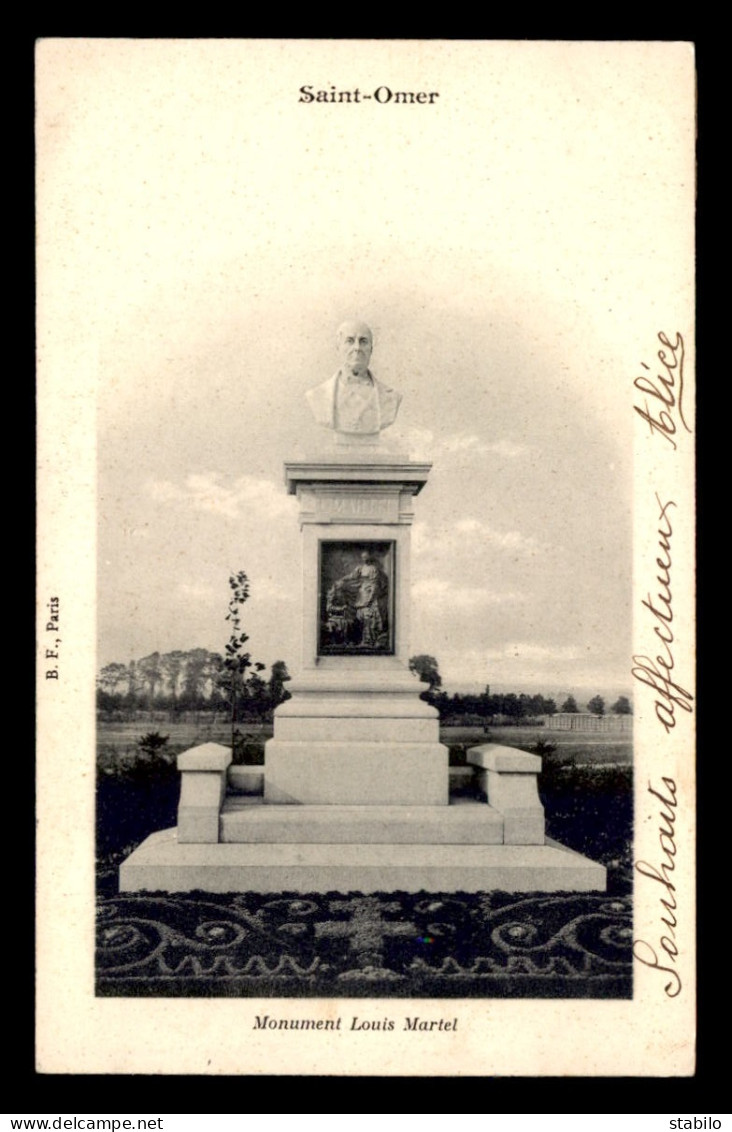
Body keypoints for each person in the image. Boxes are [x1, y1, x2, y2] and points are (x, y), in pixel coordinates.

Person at [306, 321, 401, 436]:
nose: (357, 348)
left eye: (363, 342)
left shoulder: (391, 397)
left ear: (371, 348)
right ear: (338, 347)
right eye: (349, 341)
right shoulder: (318, 395)